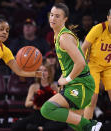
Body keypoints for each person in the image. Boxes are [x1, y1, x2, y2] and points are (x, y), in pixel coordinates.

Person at [40, 3, 102, 131]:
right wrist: (64, 79)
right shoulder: (58, 36)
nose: (53, 18)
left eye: (57, 16)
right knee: (75, 125)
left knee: (47, 109)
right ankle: (88, 126)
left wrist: (66, 79)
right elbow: (69, 63)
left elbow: (81, 63)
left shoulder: (64, 37)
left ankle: (92, 125)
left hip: (81, 84)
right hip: (76, 83)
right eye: (51, 15)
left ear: (65, 19)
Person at [11, 64, 67, 131]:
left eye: (45, 70)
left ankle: (39, 128)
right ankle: (39, 128)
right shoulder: (34, 87)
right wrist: (37, 100)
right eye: (40, 70)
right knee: (16, 126)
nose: (42, 73)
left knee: (64, 124)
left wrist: (49, 101)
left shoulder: (54, 86)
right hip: (37, 114)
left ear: (49, 73)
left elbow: (61, 102)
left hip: (49, 114)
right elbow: (27, 103)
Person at [82, 8, 111, 120]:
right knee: (92, 100)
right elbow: (84, 47)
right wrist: (83, 67)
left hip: (109, 67)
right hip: (93, 65)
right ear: (108, 18)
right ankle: (86, 126)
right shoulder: (98, 28)